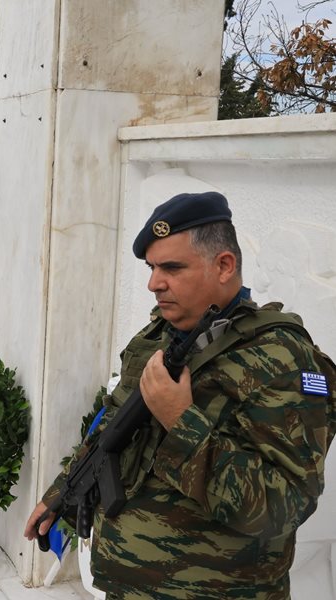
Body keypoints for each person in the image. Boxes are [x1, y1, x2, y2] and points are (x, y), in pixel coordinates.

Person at [24, 192, 336, 599]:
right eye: (152, 267)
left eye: (171, 267)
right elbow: (111, 428)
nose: (154, 283)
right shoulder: (157, 336)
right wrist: (62, 492)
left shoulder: (283, 358)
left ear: (224, 265)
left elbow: (286, 506)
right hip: (125, 586)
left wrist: (181, 421)